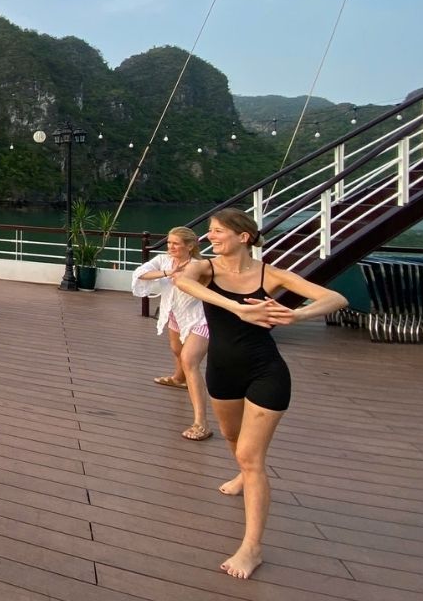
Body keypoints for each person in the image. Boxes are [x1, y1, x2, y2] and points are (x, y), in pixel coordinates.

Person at [174, 208, 347, 580]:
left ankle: (251, 547)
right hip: (222, 372)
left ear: (244, 237)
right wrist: (237, 307)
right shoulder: (205, 269)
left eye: (218, 231)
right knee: (234, 440)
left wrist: (295, 316)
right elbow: (183, 283)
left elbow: (334, 298)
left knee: (252, 458)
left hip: (266, 370)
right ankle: (241, 472)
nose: (211, 237)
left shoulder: (271, 275)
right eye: (209, 231)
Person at [132, 226, 212, 441]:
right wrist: (168, 272)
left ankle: (201, 422)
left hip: (200, 317)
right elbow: (140, 273)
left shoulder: (201, 266)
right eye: (169, 243)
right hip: (174, 313)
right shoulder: (163, 260)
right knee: (176, 349)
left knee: (189, 360)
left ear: (190, 245)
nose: (171, 247)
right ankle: (178, 379)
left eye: (176, 243)